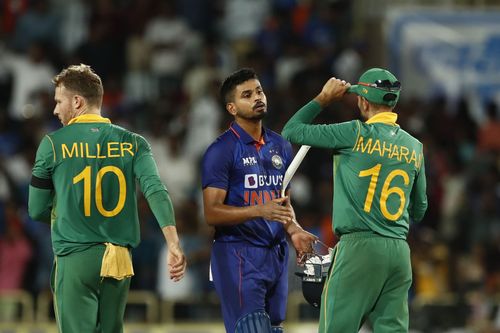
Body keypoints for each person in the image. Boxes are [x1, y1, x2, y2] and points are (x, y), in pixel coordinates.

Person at [28, 64, 186, 333]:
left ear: (77, 101)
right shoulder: (135, 143)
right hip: (119, 261)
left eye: (58, 101)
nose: (55, 110)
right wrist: (172, 242)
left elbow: (36, 209)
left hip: (75, 255)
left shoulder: (52, 144)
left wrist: (68, 210)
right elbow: (155, 190)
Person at [282, 68, 428, 332]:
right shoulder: (415, 147)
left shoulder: (354, 133)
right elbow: (419, 209)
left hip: (359, 249)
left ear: (362, 100)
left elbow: (292, 131)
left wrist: (323, 99)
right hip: (399, 253)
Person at [201, 68, 317, 333]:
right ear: (232, 107)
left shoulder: (280, 145)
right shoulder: (221, 151)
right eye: (247, 95)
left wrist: (293, 229)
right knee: (251, 328)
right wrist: (258, 210)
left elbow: (281, 199)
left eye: (259, 91)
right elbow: (211, 213)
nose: (257, 97)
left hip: (276, 254)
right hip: (238, 253)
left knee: (274, 328)